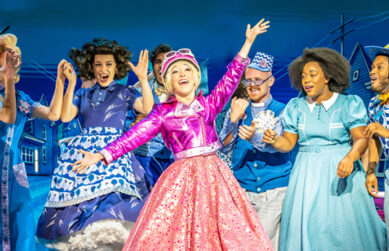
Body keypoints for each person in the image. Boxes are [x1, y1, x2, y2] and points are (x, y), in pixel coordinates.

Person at [72, 19, 273, 250]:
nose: (182, 73)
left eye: (187, 68)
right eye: (175, 71)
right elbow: (133, 137)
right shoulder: (162, 113)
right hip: (181, 178)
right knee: (176, 230)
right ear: (168, 81)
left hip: (214, 177)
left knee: (220, 228)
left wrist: (248, 42)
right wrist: (98, 156)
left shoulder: (208, 104)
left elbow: (230, 79)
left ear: (196, 76)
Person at [262, 47, 387, 250]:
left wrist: (350, 157)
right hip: (306, 177)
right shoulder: (296, 107)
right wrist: (275, 140)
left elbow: (361, 139)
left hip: (341, 171)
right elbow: (289, 143)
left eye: (312, 75)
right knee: (309, 228)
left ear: (328, 76)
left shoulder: (348, 104)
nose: (306, 80)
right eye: (303, 76)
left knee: (343, 229)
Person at [36, 38, 154, 250]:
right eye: (98, 64)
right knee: (78, 201)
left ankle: (114, 239)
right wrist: (69, 83)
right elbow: (65, 117)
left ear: (117, 67)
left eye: (108, 64)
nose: (103, 69)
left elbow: (147, 109)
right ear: (91, 68)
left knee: (115, 197)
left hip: (114, 150)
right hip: (85, 150)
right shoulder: (83, 94)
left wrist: (144, 80)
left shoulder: (125, 92)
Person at [219, 51, 292, 250]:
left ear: (271, 81)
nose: (252, 85)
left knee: (265, 243)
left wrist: (253, 137)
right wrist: (233, 119)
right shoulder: (239, 107)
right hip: (243, 189)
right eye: (248, 81)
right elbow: (224, 146)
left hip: (273, 190)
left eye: (258, 80)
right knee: (241, 243)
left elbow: (274, 144)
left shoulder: (283, 110)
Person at [0, 33, 64, 250]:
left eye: (12, 58)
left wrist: (60, 81)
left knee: (22, 218)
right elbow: (7, 116)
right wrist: (8, 80)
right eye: (5, 56)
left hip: (15, 167)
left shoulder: (20, 98)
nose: (11, 61)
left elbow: (54, 114)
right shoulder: (10, 96)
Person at [133, 44, 174, 187]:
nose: (162, 66)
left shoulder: (182, 89)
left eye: (166, 62)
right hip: (146, 157)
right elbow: (127, 121)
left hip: (174, 158)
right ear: (153, 65)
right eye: (158, 62)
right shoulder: (141, 88)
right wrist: (135, 123)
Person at [363, 44, 389, 246]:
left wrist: (385, 132)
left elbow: (381, 133)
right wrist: (371, 171)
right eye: (372, 67)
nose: (373, 71)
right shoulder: (374, 104)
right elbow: (375, 140)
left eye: (380, 67)